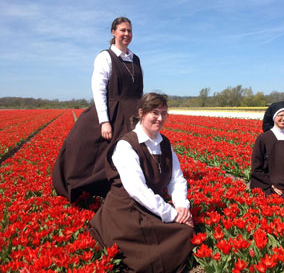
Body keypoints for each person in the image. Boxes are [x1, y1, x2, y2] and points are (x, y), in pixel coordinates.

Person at [89, 93, 194, 272]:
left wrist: (182, 206)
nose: (160, 118)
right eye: (155, 112)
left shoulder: (165, 144)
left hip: (151, 205)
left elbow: (177, 179)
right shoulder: (126, 145)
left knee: (186, 231)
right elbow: (137, 190)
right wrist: (172, 214)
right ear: (141, 113)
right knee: (149, 248)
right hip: (126, 209)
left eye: (164, 113)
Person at [52, 17, 143, 202]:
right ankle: (91, 186)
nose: (126, 34)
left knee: (132, 152)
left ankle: (131, 189)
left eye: (129, 31)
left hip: (132, 113)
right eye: (123, 30)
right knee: (86, 145)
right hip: (113, 109)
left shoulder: (135, 59)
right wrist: (104, 121)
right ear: (113, 32)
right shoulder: (105, 57)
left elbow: (139, 90)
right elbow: (99, 89)